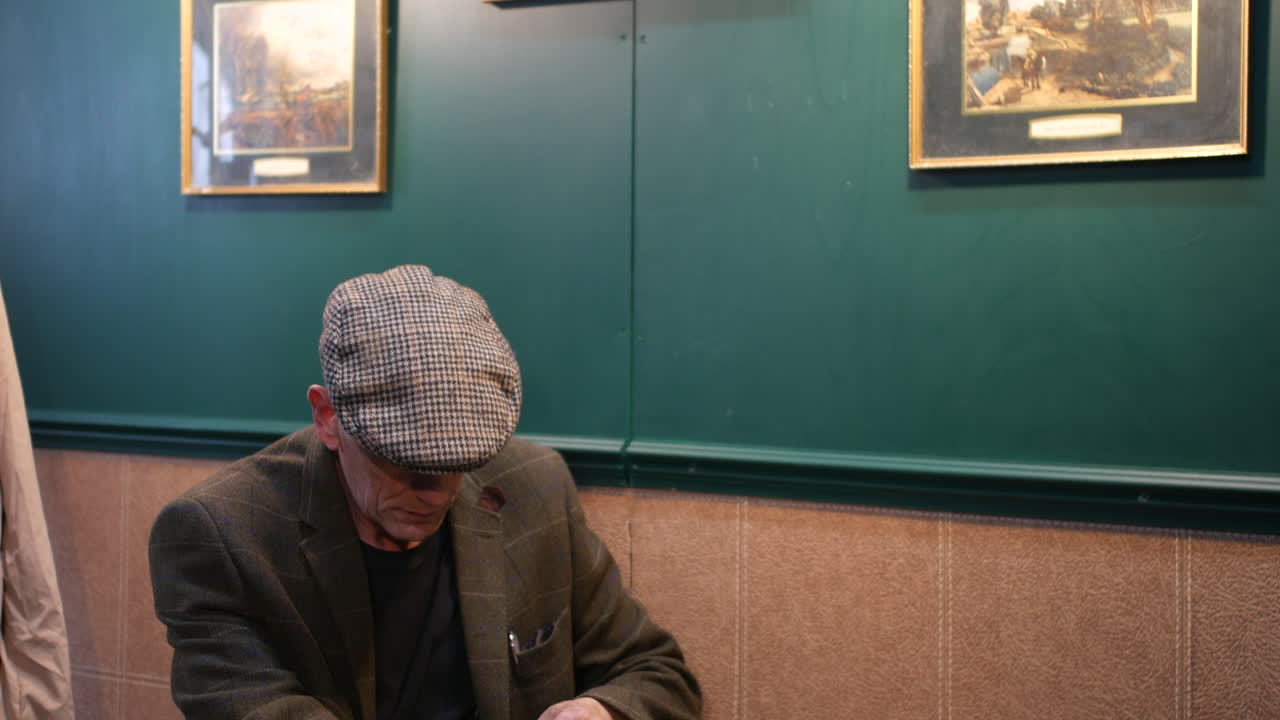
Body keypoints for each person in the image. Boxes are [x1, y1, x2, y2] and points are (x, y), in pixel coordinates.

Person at [149, 265, 701, 720]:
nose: (434, 494)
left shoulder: (534, 485)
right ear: (327, 417)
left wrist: (602, 710)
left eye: (459, 463)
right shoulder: (219, 532)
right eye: (404, 461)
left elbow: (657, 673)